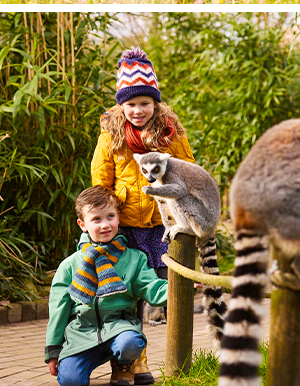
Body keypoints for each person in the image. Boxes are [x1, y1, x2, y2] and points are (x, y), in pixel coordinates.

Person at [91, 47, 196, 384]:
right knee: (126, 297)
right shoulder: (112, 134)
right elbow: (101, 180)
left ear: (155, 103)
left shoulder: (169, 131)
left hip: (162, 226)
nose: (138, 111)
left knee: (164, 292)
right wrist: (106, 218)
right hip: (127, 226)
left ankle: (178, 362)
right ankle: (129, 363)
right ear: (122, 105)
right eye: (131, 104)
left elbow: (188, 168)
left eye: (144, 104)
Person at [45, 186, 168, 386]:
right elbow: (58, 309)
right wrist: (53, 351)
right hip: (81, 335)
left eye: (110, 217)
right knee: (70, 380)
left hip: (119, 329)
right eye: (96, 219)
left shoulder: (134, 258)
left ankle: (124, 363)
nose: (105, 225)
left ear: (119, 218)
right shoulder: (70, 265)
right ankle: (79, 364)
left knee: (130, 343)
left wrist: (179, 289)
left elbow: (152, 287)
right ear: (82, 224)